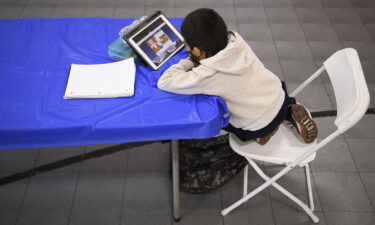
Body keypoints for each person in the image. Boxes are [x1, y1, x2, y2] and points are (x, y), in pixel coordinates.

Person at [157, 8, 318, 145]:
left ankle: (262, 134)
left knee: (225, 121)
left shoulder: (206, 74)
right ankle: (290, 109)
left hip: (257, 124)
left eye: (187, 44)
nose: (185, 46)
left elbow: (165, 82)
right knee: (260, 92)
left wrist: (190, 61)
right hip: (279, 95)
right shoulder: (236, 41)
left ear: (198, 51)